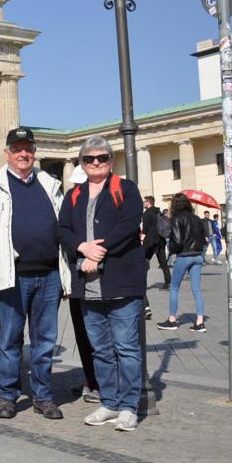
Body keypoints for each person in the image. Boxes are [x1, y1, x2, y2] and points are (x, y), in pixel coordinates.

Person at [0, 127, 70, 420]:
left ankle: (43, 396)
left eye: (28, 148)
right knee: (10, 339)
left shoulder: (49, 182)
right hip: (11, 275)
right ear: (7, 153)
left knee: (45, 341)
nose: (23, 154)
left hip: (49, 274)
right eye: (17, 149)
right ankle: (8, 396)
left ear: (34, 152)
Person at [58, 136, 146, 432]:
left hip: (122, 283)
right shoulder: (74, 194)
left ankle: (129, 407)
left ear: (111, 160)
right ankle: (109, 402)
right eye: (89, 158)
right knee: (100, 349)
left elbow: (129, 224)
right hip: (88, 286)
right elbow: (62, 230)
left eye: (102, 157)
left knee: (126, 348)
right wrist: (82, 247)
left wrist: (99, 252)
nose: (96, 162)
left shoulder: (125, 188)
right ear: (82, 163)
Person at [65, 165, 100, 403]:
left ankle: (100, 383)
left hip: (99, 279)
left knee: (98, 336)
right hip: (77, 279)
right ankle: (91, 379)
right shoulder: (72, 202)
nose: (79, 190)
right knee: (82, 334)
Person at [156, 193, 208, 332]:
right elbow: (203, 239)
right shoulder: (197, 218)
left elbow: (178, 241)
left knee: (174, 288)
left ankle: (172, 320)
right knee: (197, 290)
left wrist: (172, 249)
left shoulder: (177, 218)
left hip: (184, 256)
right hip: (197, 256)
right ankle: (200, 322)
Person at [142, 196, 171, 292]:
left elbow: (145, 229)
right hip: (160, 240)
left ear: (148, 202)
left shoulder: (147, 213)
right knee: (163, 263)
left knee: (144, 262)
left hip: (150, 241)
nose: (143, 203)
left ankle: (142, 284)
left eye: (144, 201)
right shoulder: (158, 212)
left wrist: (141, 240)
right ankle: (168, 282)